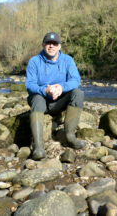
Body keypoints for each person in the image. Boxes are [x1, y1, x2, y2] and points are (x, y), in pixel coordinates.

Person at [25, 32, 85, 160]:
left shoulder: (68, 60)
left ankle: (70, 136)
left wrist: (61, 87)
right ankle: (38, 147)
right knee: (36, 97)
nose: (51, 46)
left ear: (59, 46)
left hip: (60, 101)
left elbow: (75, 80)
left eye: (54, 44)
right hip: (41, 101)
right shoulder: (34, 61)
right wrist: (45, 90)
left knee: (78, 93)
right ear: (43, 45)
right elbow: (29, 85)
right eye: (48, 43)